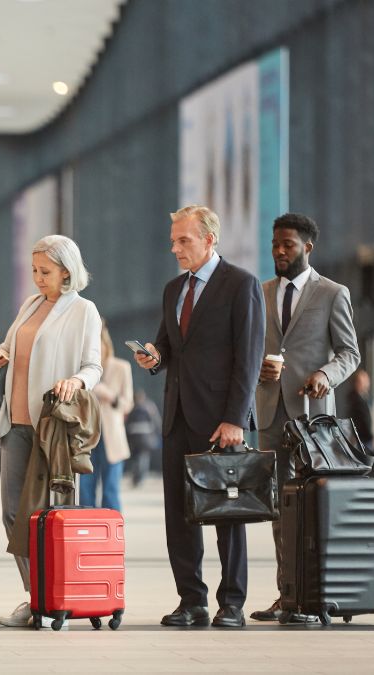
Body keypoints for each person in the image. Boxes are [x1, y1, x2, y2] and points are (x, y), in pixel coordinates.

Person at [134, 205, 264, 629]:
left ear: (209, 239)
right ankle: (192, 600)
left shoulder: (240, 285)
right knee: (180, 516)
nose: (175, 248)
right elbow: (167, 348)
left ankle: (232, 604)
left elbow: (248, 359)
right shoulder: (174, 289)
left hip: (219, 421)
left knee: (228, 515)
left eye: (183, 240)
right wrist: (152, 359)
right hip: (177, 417)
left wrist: (235, 420)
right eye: (173, 241)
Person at [0, 234, 103, 628]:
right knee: (13, 514)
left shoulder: (83, 311)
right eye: (34, 270)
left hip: (52, 426)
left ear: (67, 271)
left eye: (45, 271)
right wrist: (1, 356)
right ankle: (37, 597)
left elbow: (93, 366)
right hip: (16, 422)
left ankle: (58, 599)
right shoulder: (30, 304)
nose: (38, 278)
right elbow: (16, 347)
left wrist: (76, 381)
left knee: (53, 515)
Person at [250, 213, 361, 623]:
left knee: (313, 508)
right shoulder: (259, 293)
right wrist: (258, 367)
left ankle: (315, 598)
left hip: (313, 421)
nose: (279, 251)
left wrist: (323, 375)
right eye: (275, 244)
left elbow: (350, 353)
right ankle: (288, 595)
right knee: (279, 509)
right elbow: (247, 350)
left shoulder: (333, 293)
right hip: (270, 415)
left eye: (288, 245)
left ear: (307, 247)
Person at [79, 324, 134, 512]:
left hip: (113, 439)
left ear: (105, 344)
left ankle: (112, 536)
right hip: (86, 437)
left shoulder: (121, 367)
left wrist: (109, 395)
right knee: (85, 492)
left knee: (111, 491)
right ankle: (88, 534)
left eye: (98, 344)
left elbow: (128, 404)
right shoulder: (81, 370)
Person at [124, 390, 163, 487]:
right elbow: (156, 422)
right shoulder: (149, 407)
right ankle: (140, 478)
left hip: (133, 438)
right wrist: (158, 434)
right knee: (143, 458)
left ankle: (136, 477)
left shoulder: (131, 406)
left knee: (135, 458)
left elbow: (126, 422)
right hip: (146, 438)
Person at [343, 368, 374, 452]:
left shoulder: (365, 397)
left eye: (366, 380)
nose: (365, 383)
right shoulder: (355, 399)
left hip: (366, 439)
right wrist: (371, 437)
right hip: (362, 439)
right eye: (361, 381)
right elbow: (361, 421)